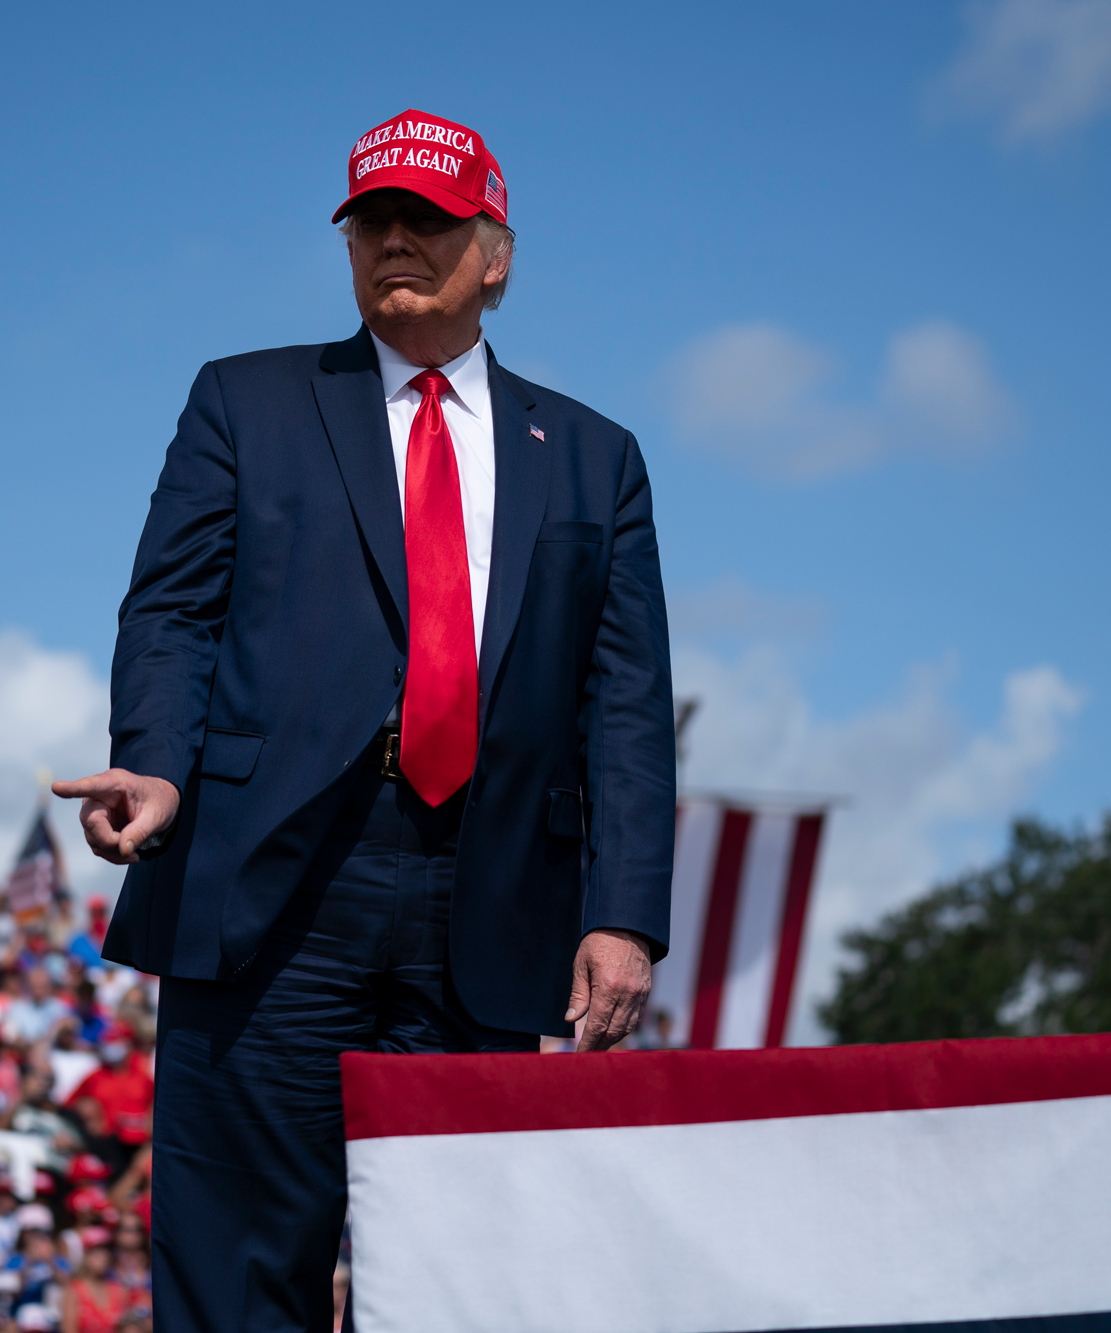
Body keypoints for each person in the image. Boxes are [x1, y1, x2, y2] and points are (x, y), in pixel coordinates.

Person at [52, 107, 674, 1329]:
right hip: (267, 890)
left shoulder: (596, 457)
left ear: (494, 253)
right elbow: (171, 614)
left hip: (488, 902)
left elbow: (626, 705)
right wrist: (156, 766)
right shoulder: (244, 402)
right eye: (371, 220)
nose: (395, 240)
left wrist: (622, 912)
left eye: (427, 221)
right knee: (236, 1276)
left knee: (456, 1279)